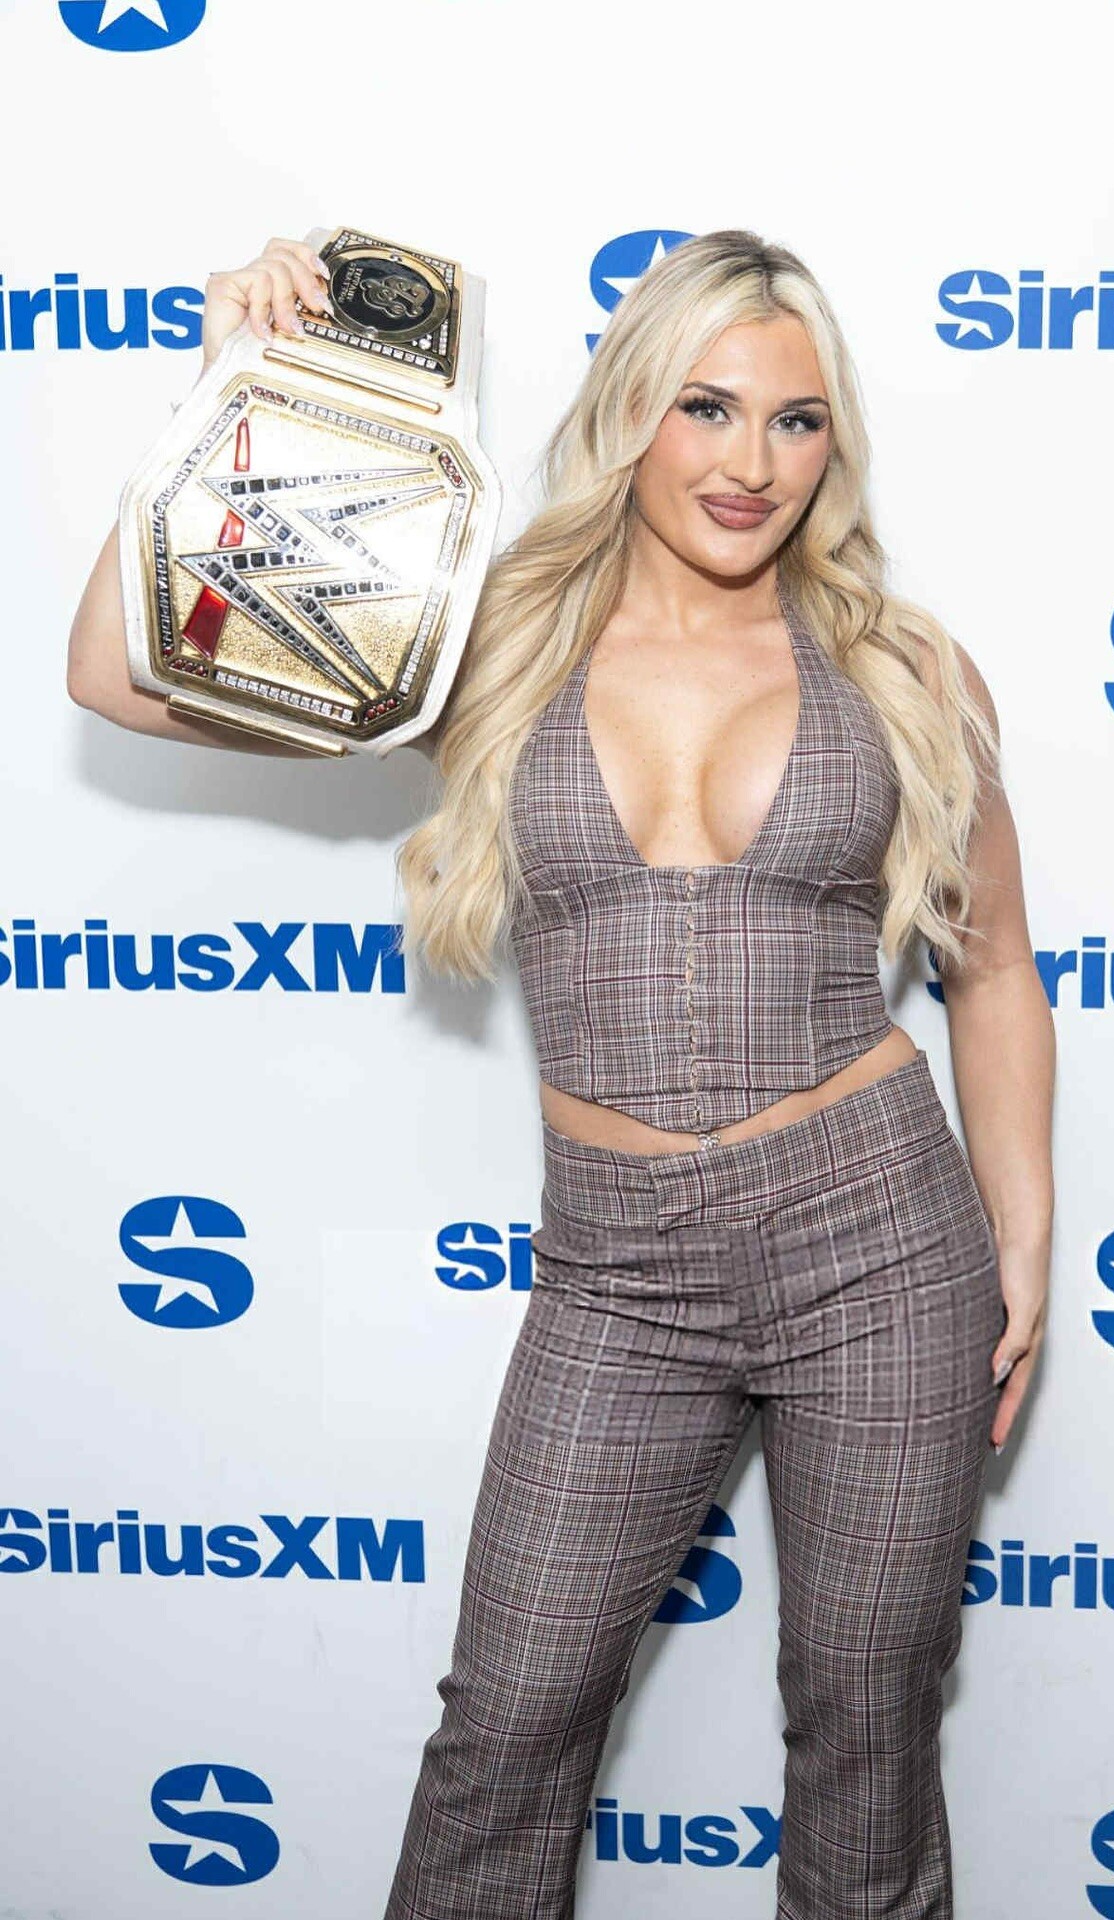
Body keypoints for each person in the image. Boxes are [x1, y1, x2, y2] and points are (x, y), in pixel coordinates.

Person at [67, 228, 1055, 1919]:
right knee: (509, 1725)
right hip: (618, 1271)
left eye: (797, 421)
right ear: (629, 411)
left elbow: (997, 967)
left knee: (869, 1730)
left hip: (884, 1248)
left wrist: (1022, 1239)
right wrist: (244, 395)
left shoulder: (901, 667)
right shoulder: (488, 639)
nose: (752, 464)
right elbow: (117, 676)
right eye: (707, 407)